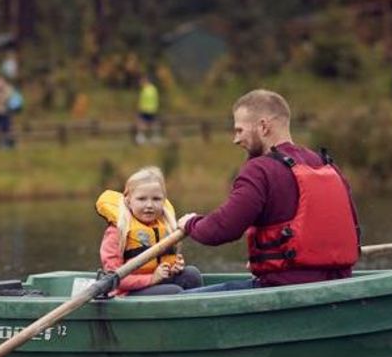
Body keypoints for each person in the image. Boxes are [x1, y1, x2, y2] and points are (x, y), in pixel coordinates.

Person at [178, 89, 360, 293]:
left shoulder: (259, 169)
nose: (235, 140)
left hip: (285, 287)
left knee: (176, 301)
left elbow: (222, 229)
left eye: (239, 130)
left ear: (263, 126)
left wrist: (190, 224)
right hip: (338, 284)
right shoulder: (326, 165)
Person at [97, 166, 202, 296]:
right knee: (173, 292)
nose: (149, 205)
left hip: (157, 284)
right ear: (128, 201)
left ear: (164, 201)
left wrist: (174, 267)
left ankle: (194, 313)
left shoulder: (167, 226)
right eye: (142, 199)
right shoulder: (117, 232)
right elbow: (113, 279)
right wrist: (151, 279)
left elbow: (165, 263)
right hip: (127, 291)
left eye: (156, 199)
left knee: (192, 275)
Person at [0, 76, 16, 149]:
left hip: (6, 113)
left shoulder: (8, 90)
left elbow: (9, 99)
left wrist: (3, 106)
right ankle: (2, 144)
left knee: (7, 129)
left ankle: (9, 144)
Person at [135, 75, 160, 145]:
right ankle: (154, 138)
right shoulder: (153, 89)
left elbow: (144, 100)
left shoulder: (146, 89)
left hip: (146, 109)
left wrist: (140, 108)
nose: (140, 82)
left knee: (141, 123)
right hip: (152, 109)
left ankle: (141, 138)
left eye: (141, 81)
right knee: (152, 124)